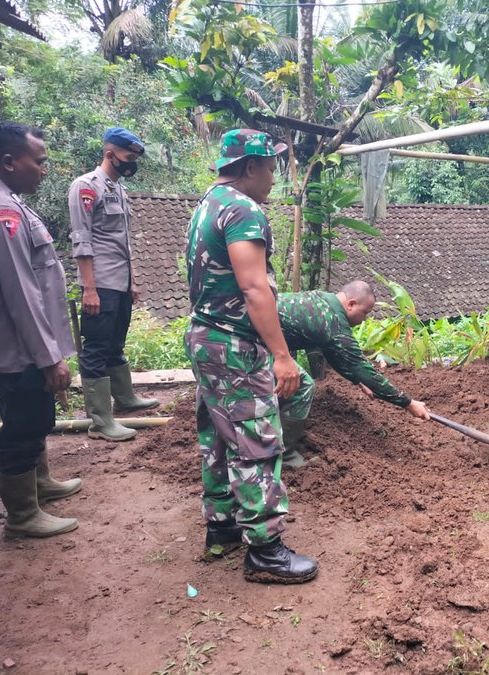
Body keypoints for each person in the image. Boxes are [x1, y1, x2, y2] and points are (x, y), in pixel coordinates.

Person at [185, 128, 318, 584]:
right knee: (257, 441)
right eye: (270, 167)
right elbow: (253, 286)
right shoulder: (243, 210)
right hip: (235, 346)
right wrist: (281, 355)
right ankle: (265, 550)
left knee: (218, 436)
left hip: (206, 338)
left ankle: (221, 526)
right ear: (249, 168)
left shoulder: (206, 205)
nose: (274, 177)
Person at [0, 122, 82, 538]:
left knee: (35, 415)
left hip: (19, 340)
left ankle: (39, 485)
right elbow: (21, 291)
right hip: (17, 343)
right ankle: (22, 515)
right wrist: (49, 356)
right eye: (38, 162)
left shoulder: (7, 200)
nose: (44, 169)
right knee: (24, 423)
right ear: (8, 162)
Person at [273, 280, 431, 467]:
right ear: (351, 304)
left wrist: (355, 378)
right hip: (249, 341)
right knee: (303, 385)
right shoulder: (334, 321)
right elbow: (360, 365)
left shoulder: (323, 301)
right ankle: (283, 455)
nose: (365, 319)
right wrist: (408, 403)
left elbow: (334, 353)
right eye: (365, 313)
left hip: (249, 331)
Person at [68, 127, 158, 442]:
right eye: (128, 157)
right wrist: (89, 288)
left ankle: (124, 398)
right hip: (100, 283)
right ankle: (100, 421)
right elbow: (81, 239)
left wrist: (132, 281)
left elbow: (124, 242)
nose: (132, 163)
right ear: (110, 154)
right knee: (96, 348)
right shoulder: (85, 187)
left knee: (115, 343)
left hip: (119, 283)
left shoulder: (118, 190)